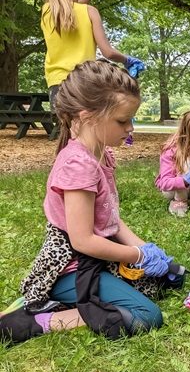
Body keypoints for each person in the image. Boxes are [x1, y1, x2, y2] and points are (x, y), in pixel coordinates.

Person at [0, 61, 172, 345]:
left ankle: (67, 302)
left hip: (97, 259)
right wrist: (136, 256)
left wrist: (145, 248)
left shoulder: (101, 153)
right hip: (72, 268)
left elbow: (110, 220)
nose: (130, 128)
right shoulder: (78, 164)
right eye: (122, 120)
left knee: (161, 281)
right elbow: (82, 241)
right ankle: (35, 320)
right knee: (146, 315)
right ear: (88, 116)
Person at [41, 0, 145, 109]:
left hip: (57, 81)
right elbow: (108, 52)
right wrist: (127, 60)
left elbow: (73, 6)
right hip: (84, 79)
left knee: (63, 126)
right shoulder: (90, 12)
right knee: (88, 125)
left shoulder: (47, 12)